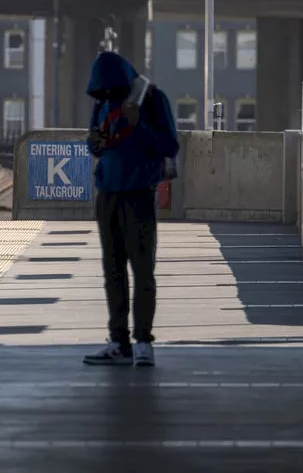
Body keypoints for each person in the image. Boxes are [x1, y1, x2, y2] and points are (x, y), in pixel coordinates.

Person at [81, 51, 179, 368]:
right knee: (113, 271)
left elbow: (170, 145)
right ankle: (118, 340)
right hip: (107, 194)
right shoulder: (103, 101)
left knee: (142, 271)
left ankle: (143, 342)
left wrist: (139, 129)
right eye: (103, 92)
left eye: (112, 90)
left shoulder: (152, 100)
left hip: (139, 195)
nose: (108, 96)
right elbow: (96, 142)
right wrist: (94, 141)